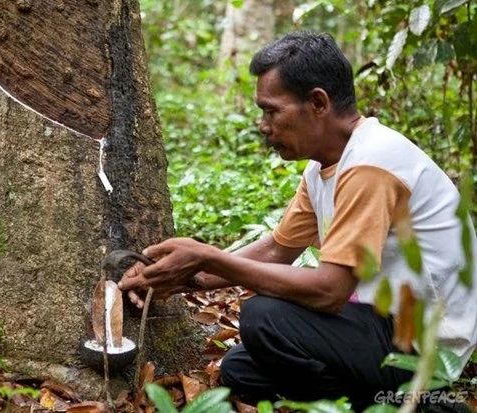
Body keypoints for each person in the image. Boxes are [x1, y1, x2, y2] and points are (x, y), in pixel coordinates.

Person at [118, 31, 477, 411]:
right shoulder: (325, 166)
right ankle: (393, 400)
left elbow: (330, 291)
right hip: (379, 325)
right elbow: (277, 248)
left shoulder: (372, 164)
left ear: (318, 103)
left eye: (272, 110)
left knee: (262, 318)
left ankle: (422, 398)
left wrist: (207, 257)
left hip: (423, 345)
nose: (264, 125)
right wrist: (190, 277)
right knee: (241, 369)